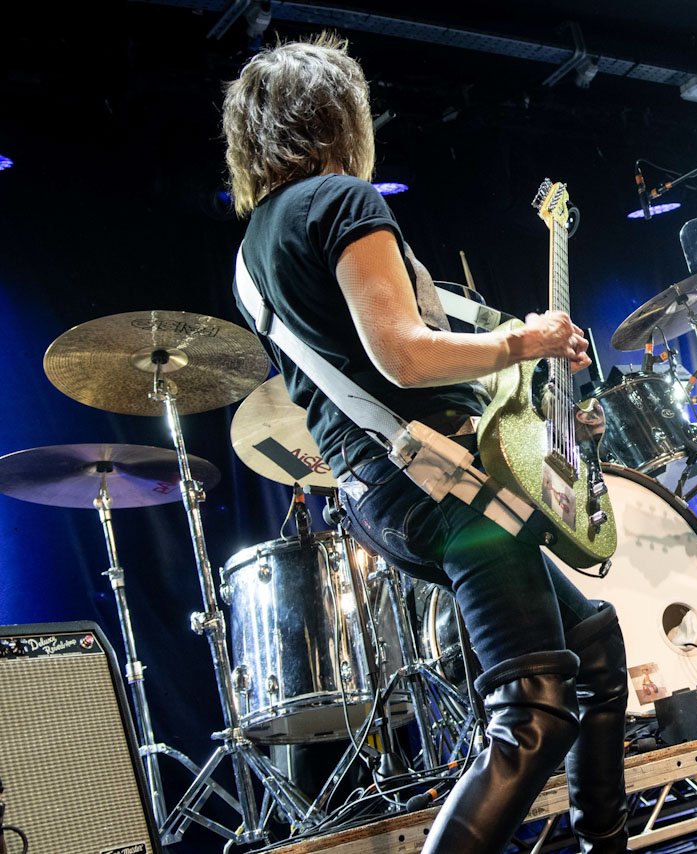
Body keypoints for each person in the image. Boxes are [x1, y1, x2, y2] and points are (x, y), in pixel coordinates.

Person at [222, 36, 629, 853]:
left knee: (593, 646)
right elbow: (404, 354)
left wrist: (524, 356)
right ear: (343, 116)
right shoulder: (341, 198)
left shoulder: (254, 250)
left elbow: (391, 361)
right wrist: (521, 345)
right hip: (442, 488)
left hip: (384, 495)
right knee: (534, 713)